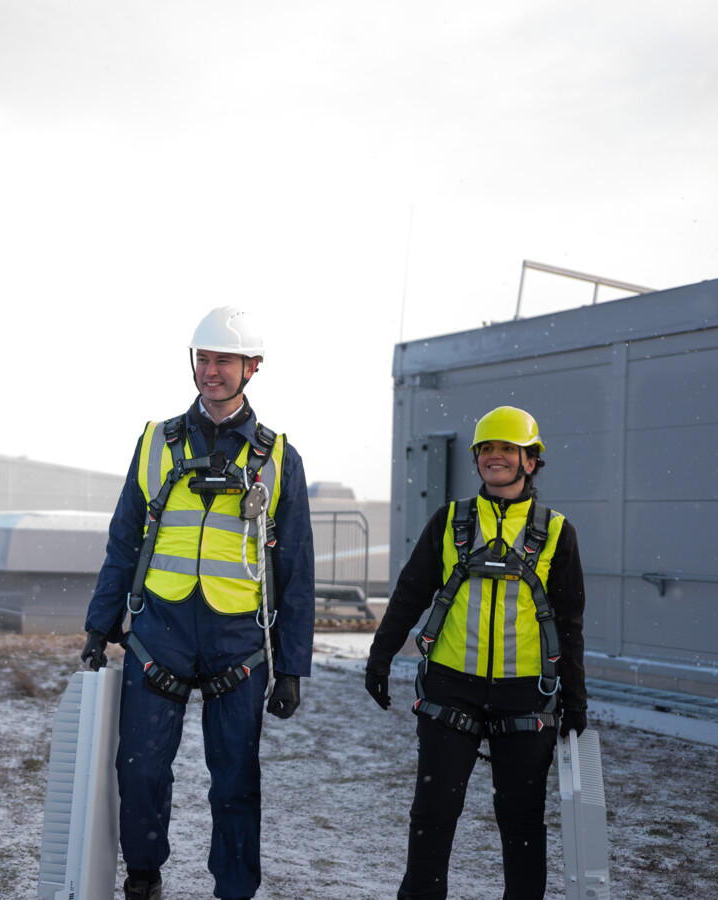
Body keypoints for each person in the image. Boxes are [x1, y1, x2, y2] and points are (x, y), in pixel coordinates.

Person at [81, 305, 315, 900]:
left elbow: (295, 573)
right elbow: (124, 538)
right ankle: (143, 879)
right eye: (203, 359)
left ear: (252, 368)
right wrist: (98, 625)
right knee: (139, 771)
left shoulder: (279, 458)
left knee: (236, 782)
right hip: (157, 631)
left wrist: (290, 667)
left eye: (224, 362)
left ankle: (234, 891)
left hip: (237, 643)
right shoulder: (156, 442)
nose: (211, 372)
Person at [364, 405, 588, 900]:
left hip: (528, 694)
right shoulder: (449, 520)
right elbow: (410, 593)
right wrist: (380, 657)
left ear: (530, 461)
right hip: (450, 686)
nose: (496, 457)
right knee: (433, 814)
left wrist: (576, 700)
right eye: (487, 448)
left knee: (522, 818)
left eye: (508, 449)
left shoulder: (556, 532)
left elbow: (569, 624)